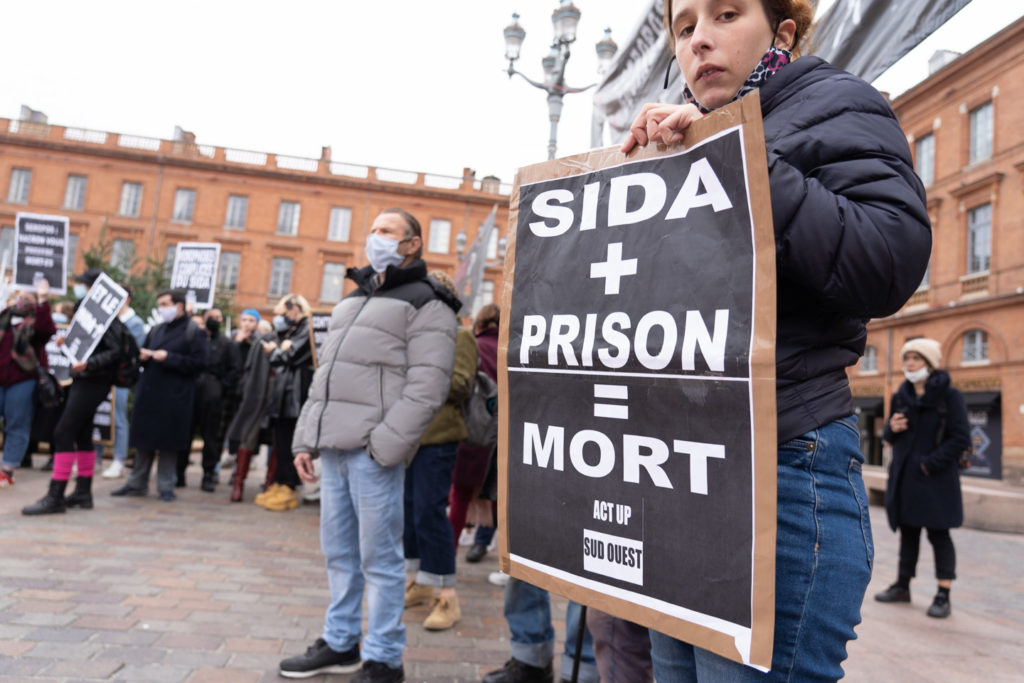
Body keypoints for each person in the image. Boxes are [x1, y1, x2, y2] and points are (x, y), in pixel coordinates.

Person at [621, 0, 931, 679]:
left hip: (784, 465)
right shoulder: (680, 139)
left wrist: (738, 156)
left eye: (726, 13)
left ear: (782, 32)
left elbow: (888, 258)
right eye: (684, 26)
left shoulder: (836, 102)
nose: (701, 39)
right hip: (679, 472)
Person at [279, 208, 457, 682]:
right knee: (339, 553)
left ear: (412, 244)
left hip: (372, 453)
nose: (373, 238)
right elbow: (326, 379)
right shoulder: (353, 301)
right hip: (333, 448)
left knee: (380, 560)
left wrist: (384, 446)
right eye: (372, 230)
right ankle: (340, 642)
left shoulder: (427, 301)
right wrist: (306, 439)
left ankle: (383, 657)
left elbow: (428, 387)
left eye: (385, 231)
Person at [875, 338, 970, 619]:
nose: (909, 364)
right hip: (906, 478)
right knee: (908, 532)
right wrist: (890, 428)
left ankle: (943, 594)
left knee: (939, 535)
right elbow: (889, 438)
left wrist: (929, 464)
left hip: (936, 479)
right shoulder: (901, 394)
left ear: (929, 364)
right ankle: (903, 586)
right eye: (906, 358)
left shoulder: (949, 396)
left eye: (916, 358)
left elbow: (961, 438)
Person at [24, 271, 132, 515]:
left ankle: (56, 494)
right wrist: (67, 344)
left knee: (63, 431)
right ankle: (83, 492)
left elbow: (115, 352)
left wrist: (89, 364)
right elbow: (87, 345)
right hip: (85, 379)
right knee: (82, 434)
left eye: (82, 284)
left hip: (94, 381)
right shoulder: (89, 312)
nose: (78, 288)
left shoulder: (108, 319)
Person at [402, 271, 475, 631]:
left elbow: (461, 383)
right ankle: (418, 580)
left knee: (431, 512)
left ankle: (447, 595)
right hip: (409, 437)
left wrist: (418, 374)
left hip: (439, 436)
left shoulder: (459, 335)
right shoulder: (413, 335)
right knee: (409, 511)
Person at [112, 289, 209, 501]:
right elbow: (144, 353)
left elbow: (200, 363)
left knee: (168, 444)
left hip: (174, 396)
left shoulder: (194, 331)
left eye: (165, 304)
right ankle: (136, 482)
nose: (162, 309)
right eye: (161, 305)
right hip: (149, 393)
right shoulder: (156, 329)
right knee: (143, 441)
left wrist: (169, 358)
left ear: (179, 306)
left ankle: (166, 485)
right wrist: (143, 356)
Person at [254, 294, 315, 512]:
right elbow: (284, 352)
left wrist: (275, 351)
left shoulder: (307, 328)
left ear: (296, 309)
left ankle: (290, 487)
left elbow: (290, 356)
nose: (281, 318)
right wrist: (281, 349)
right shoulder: (291, 330)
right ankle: (280, 484)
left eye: (284, 313)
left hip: (295, 396)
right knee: (280, 444)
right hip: (283, 396)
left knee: (290, 444)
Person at [451, 303, 500, 564]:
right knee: (494, 493)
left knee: (459, 494)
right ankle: (482, 544)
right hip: (499, 431)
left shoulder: (472, 345)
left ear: (478, 324)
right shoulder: (509, 349)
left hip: (471, 430)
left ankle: (449, 550)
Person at [176, 307, 240, 492]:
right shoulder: (195, 339)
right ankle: (179, 473)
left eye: (218, 317)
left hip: (213, 393)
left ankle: (209, 474)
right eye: (211, 317)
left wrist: (220, 387)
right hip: (191, 390)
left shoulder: (227, 343)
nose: (215, 320)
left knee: (211, 437)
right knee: (185, 433)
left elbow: (235, 370)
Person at [0, 281, 56, 488]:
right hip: (1, 378)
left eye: (28, 298)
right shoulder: (5, 315)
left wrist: (43, 300)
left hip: (22, 380)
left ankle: (7, 470)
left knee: (17, 424)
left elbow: (46, 330)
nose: (22, 300)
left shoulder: (37, 320)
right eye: (20, 296)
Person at [101, 286, 147, 479]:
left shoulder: (135, 323)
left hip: (119, 377)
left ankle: (119, 459)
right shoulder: (107, 318)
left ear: (126, 299)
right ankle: (94, 458)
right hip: (102, 374)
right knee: (100, 417)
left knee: (118, 418)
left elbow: (129, 351)